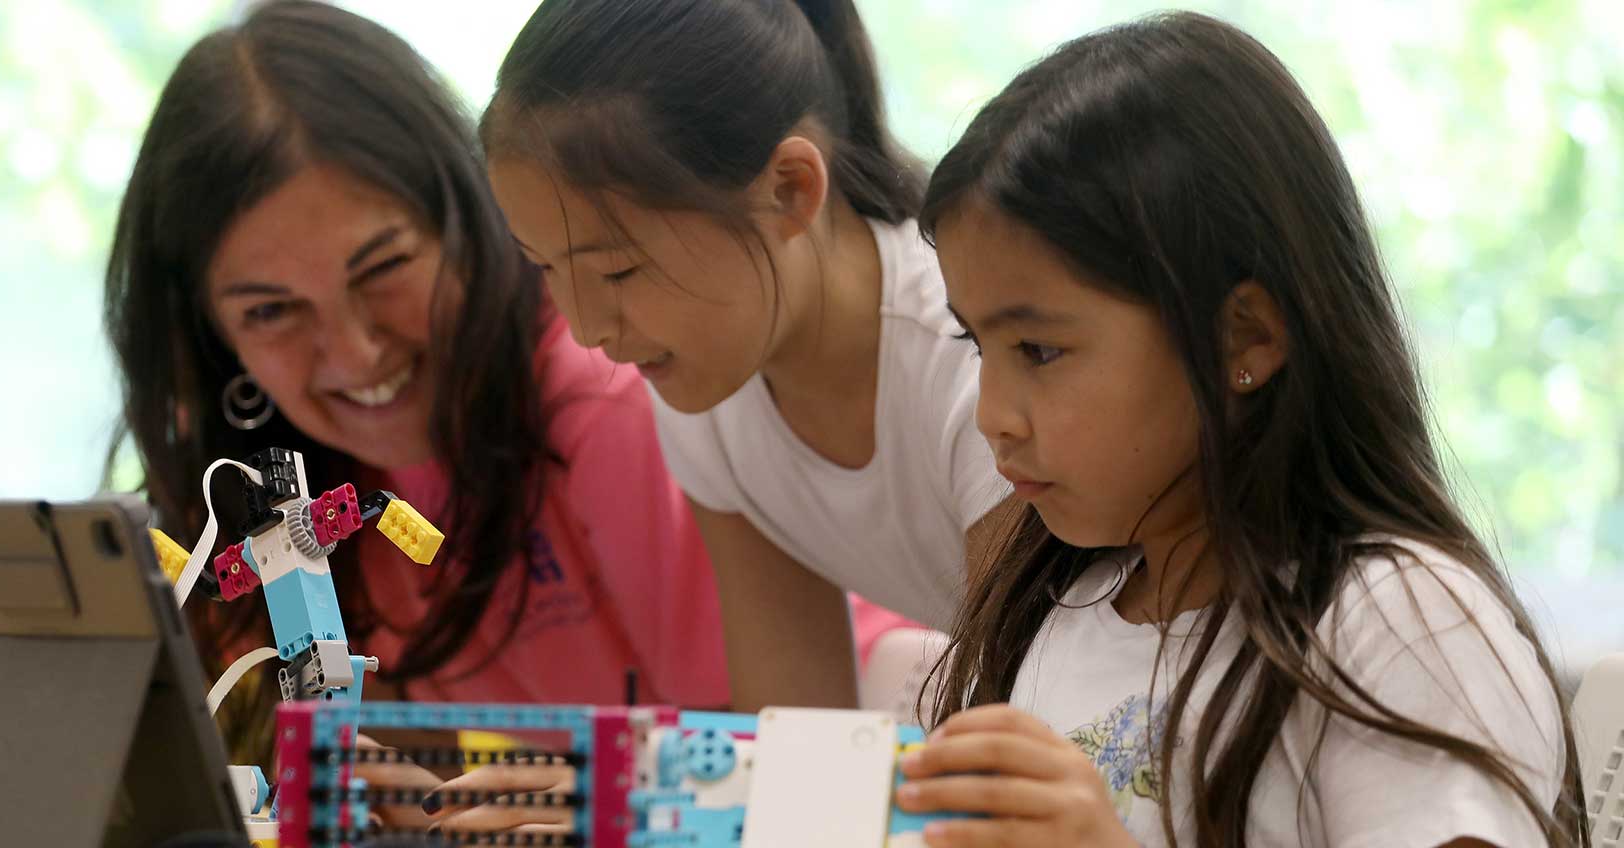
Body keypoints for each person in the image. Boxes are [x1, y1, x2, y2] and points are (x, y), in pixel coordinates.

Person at [896, 13, 1582, 846]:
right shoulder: (1057, 611)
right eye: (978, 344)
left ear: (1244, 340)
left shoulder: (1401, 623)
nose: (991, 416)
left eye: (1039, 349)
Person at [102, 0, 729, 770]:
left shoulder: (603, 402)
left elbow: (741, 763)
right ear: (216, 343)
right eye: (270, 311)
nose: (356, 353)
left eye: (385, 267)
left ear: (470, 221)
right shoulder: (283, 492)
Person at [482, 0, 1009, 713]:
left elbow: (1040, 721)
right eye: (545, 268)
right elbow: (799, 725)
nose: (586, 330)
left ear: (790, 189)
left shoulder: (976, 362)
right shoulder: (706, 385)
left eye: (617, 272)